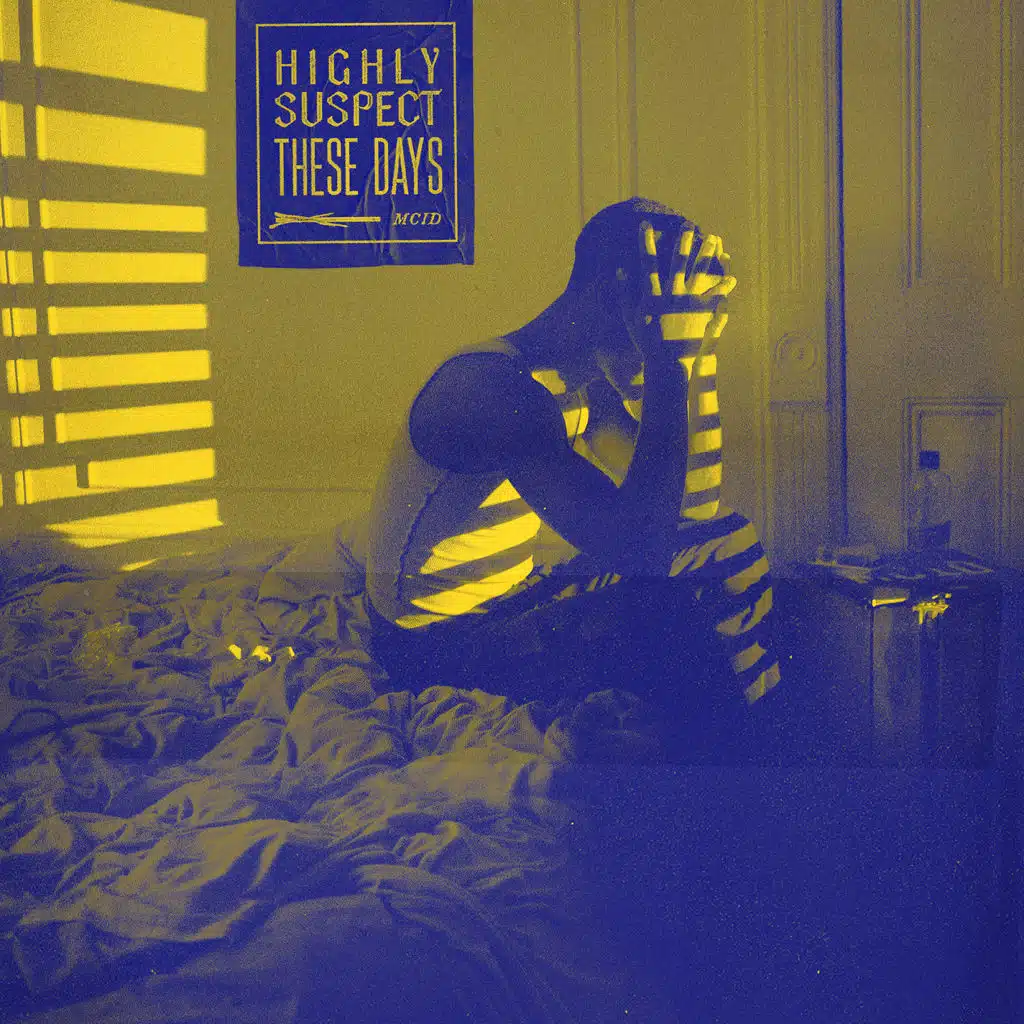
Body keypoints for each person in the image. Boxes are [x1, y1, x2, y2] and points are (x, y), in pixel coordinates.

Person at [364, 197, 781, 758]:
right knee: (678, 616)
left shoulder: (575, 377)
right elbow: (641, 547)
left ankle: (761, 737)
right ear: (616, 295)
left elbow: (690, 508)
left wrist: (697, 359)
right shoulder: (492, 392)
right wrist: (669, 363)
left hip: (510, 600)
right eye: (669, 306)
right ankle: (762, 752)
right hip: (434, 646)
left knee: (730, 540)